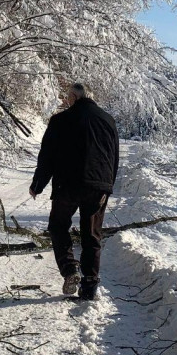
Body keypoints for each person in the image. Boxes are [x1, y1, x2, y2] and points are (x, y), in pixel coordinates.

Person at [29, 82, 119, 301]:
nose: (65, 101)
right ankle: (90, 285)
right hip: (98, 185)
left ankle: (70, 270)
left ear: (74, 97)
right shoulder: (108, 121)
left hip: (67, 184)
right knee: (92, 234)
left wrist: (38, 184)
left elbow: (47, 155)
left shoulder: (60, 120)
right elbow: (114, 157)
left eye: (67, 97)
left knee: (58, 226)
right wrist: (108, 186)